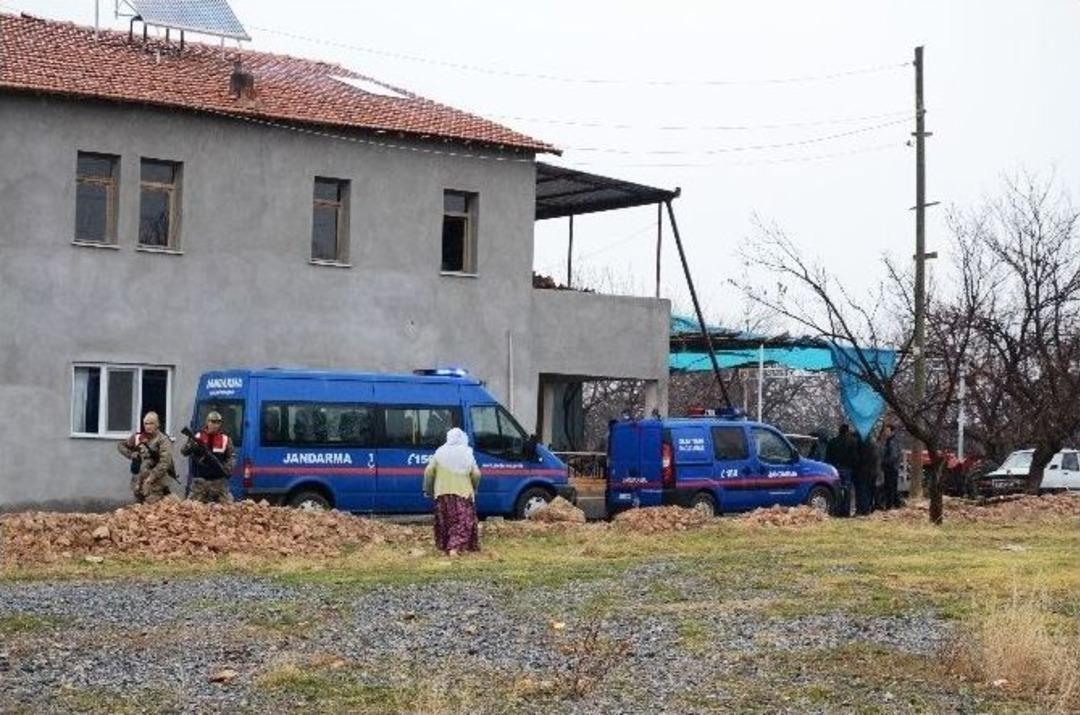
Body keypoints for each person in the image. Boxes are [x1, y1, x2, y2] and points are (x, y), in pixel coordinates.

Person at [423, 427, 481, 556]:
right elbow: (476, 474)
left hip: (442, 493)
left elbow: (428, 471)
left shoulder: (440, 452)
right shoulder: (467, 453)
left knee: (445, 522)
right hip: (463, 494)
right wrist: (475, 487)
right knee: (462, 522)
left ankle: (446, 546)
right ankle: (454, 549)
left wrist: (428, 489)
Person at [117, 411, 175, 503]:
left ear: (157, 424)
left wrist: (151, 478)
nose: (148, 426)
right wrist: (131, 454)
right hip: (138, 483)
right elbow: (120, 446)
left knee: (151, 513)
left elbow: (164, 463)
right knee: (138, 512)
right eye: (146, 423)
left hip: (155, 485)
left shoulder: (162, 440)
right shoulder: (138, 437)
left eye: (151, 423)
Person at [181, 411, 237, 504]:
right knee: (190, 509)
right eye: (213, 422)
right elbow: (183, 451)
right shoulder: (198, 436)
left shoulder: (225, 438)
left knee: (228, 508)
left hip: (219, 483)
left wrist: (228, 468)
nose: (215, 425)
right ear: (207, 422)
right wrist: (191, 446)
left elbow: (232, 457)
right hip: (199, 483)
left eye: (218, 422)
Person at [854, 431, 881, 516]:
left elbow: (859, 458)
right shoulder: (873, 443)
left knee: (862, 490)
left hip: (863, 471)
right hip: (873, 470)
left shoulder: (862, 444)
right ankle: (868, 509)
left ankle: (863, 510)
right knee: (869, 490)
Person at [880, 423, 902, 509]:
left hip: (891, 467)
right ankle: (895, 504)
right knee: (890, 487)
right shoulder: (888, 441)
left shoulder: (893, 441)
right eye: (885, 431)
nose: (886, 432)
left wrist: (884, 462)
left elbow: (894, 455)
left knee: (891, 487)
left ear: (892, 431)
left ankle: (890, 505)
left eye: (887, 431)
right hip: (889, 467)